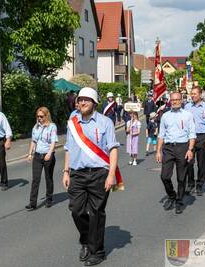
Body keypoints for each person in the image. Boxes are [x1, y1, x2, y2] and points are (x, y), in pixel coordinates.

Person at [62, 87, 122, 266]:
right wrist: (66, 171)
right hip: (78, 174)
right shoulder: (72, 123)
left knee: (96, 212)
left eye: (86, 100)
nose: (82, 102)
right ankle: (86, 239)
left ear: (94, 103)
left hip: (99, 174)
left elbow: (112, 149)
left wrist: (111, 175)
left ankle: (98, 251)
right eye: (80, 100)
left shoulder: (105, 123)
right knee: (76, 210)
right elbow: (67, 149)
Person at [156, 92, 196, 214]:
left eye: (177, 99)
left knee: (181, 177)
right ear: (170, 101)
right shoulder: (165, 116)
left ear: (181, 100)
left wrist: (190, 149)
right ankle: (172, 195)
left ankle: (179, 201)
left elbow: (192, 134)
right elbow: (161, 134)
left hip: (182, 147)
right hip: (168, 148)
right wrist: (158, 151)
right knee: (164, 176)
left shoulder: (188, 115)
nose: (175, 102)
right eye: (172, 100)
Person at [25, 107, 58, 210]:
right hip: (38, 156)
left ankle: (49, 199)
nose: (39, 118)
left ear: (46, 116)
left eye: (41, 116)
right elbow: (33, 141)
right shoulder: (36, 127)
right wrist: (30, 154)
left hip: (48, 155)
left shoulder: (52, 127)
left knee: (48, 178)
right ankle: (32, 203)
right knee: (35, 179)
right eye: (38, 116)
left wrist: (49, 153)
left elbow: (53, 142)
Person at [184, 87, 205, 196]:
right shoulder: (187, 106)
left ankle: (200, 184)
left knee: (202, 163)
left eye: (195, 94)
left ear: (200, 94)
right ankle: (191, 183)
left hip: (203, 137)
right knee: (188, 162)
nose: (193, 95)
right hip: (190, 138)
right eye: (191, 94)